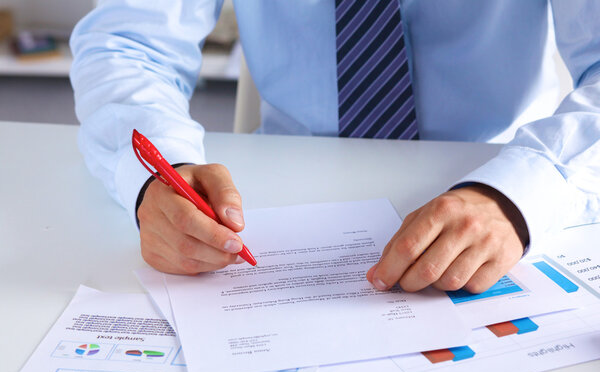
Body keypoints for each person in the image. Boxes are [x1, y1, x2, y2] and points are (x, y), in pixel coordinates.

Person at [70, 1, 600, 293]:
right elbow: (127, 43)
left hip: (499, 177)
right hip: (279, 195)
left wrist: (520, 196)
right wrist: (160, 174)